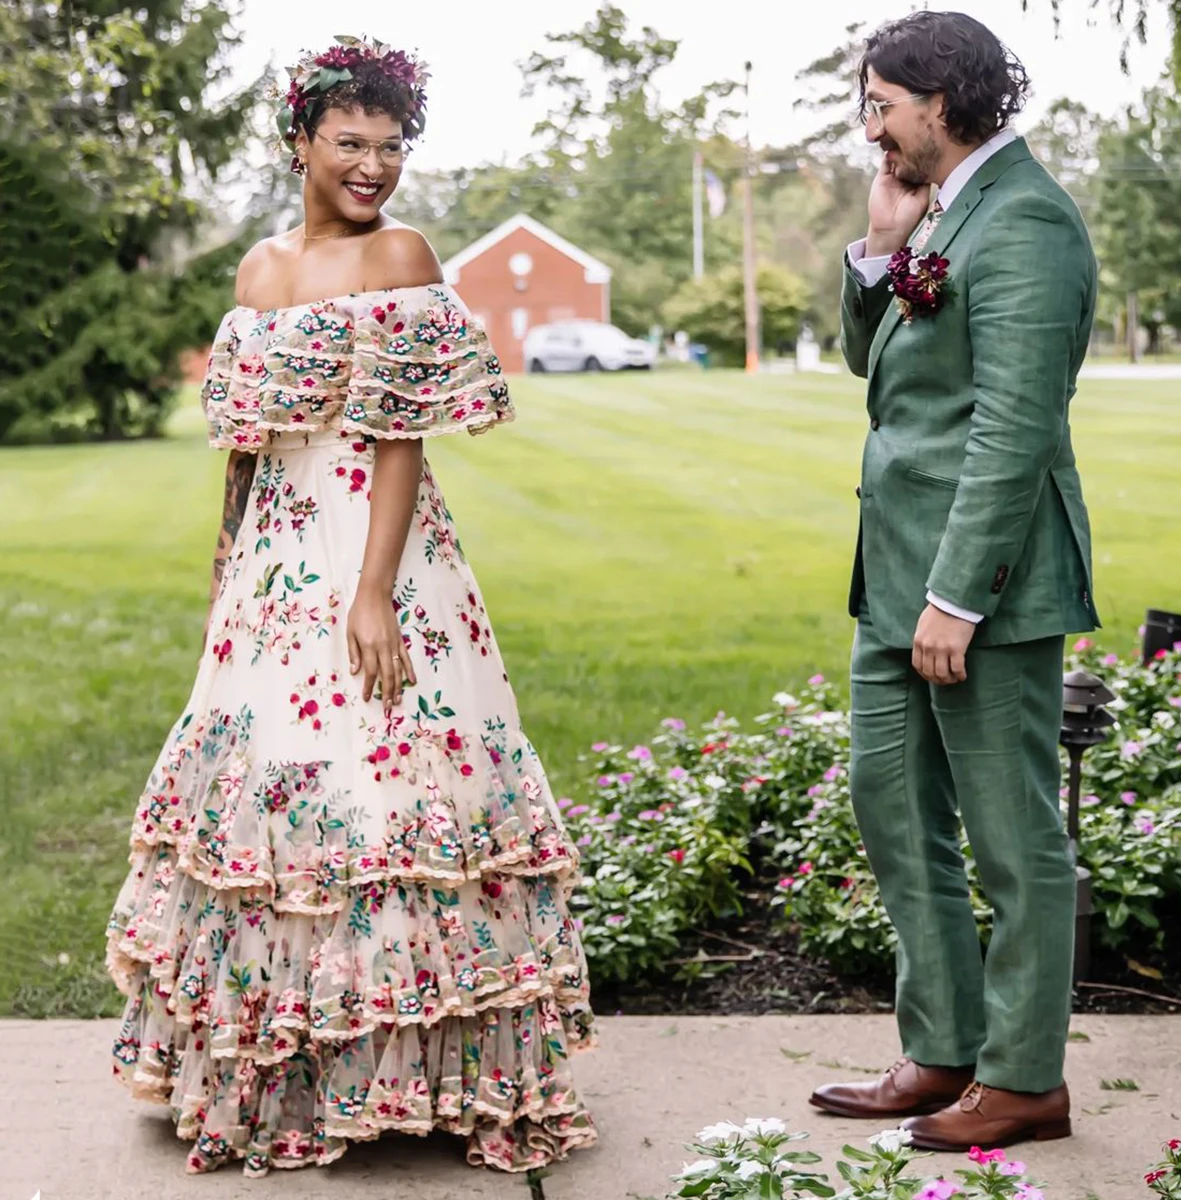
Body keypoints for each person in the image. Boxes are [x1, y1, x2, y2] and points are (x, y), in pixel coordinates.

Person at [104, 37, 597, 1178]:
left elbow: (399, 434)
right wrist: (227, 573)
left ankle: (428, 1072)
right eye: (350, 144)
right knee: (273, 801)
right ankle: (283, 1073)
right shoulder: (259, 272)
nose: (373, 167)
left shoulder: (404, 256)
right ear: (302, 145)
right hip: (273, 568)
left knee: (389, 783)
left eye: (390, 146)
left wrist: (373, 595)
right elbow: (243, 453)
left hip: (378, 553)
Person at [809, 12, 1099, 1152]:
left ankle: (1024, 1079)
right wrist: (882, 245)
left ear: (945, 101)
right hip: (894, 581)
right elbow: (867, 362)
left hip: (984, 590)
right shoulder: (944, 209)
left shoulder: (1024, 221)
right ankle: (940, 1052)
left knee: (1013, 839)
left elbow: (1014, 427)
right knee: (892, 807)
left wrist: (959, 596)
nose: (869, 127)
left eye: (882, 105)